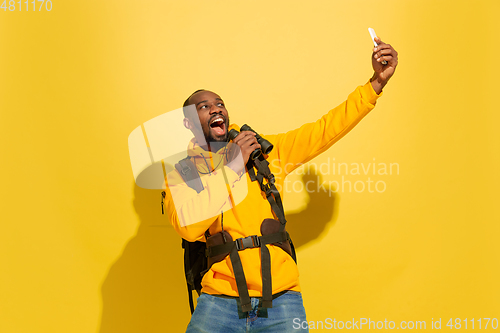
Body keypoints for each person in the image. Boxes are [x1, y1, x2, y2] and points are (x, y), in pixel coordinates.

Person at [163, 37, 398, 332]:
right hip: (218, 300)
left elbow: (322, 130)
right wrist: (234, 166)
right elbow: (187, 227)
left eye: (220, 103)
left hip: (282, 299)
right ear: (188, 122)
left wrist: (376, 83)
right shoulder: (182, 172)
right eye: (204, 106)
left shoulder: (265, 153)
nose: (215, 109)